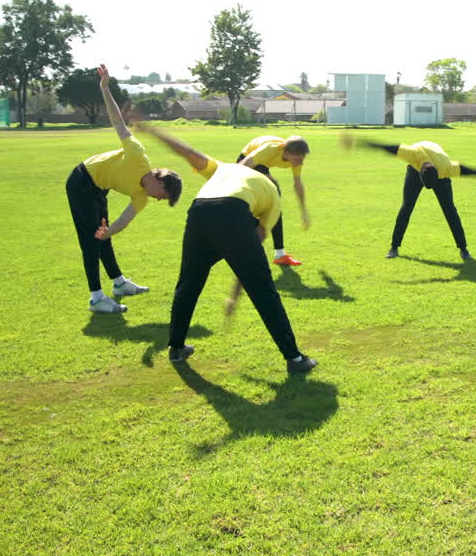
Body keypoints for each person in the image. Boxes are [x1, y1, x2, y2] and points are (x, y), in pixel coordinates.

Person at [141, 125, 318, 374]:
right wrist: (234, 297)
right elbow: (251, 260)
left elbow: (188, 152)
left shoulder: (226, 168)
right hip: (232, 213)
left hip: (199, 211)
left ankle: (177, 348)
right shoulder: (273, 198)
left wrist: (153, 130)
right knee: (264, 291)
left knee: (188, 283)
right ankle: (295, 359)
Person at [66, 65, 182, 314]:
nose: (161, 200)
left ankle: (118, 284)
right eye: (164, 196)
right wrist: (104, 88)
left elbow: (123, 220)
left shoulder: (142, 197)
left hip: (98, 190)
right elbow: (117, 120)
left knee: (103, 235)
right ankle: (96, 298)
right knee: (90, 241)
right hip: (80, 181)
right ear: (160, 183)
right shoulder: (137, 154)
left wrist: (108, 232)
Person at [356, 138, 476, 261]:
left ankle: (464, 249)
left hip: (439, 168)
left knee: (450, 210)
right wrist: (364, 143)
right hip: (416, 169)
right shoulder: (412, 154)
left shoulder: (447, 167)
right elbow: (387, 147)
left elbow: (473, 171)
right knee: (406, 207)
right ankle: (394, 247)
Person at [236, 135, 312, 266]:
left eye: (303, 158)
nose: (301, 162)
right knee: (271, 197)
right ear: (286, 153)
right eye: (298, 159)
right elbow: (241, 168)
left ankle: (280, 255)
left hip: (263, 165)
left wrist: (304, 212)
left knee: (274, 206)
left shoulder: (295, 158)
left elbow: (297, 184)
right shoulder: (269, 149)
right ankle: (247, 240)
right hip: (246, 160)